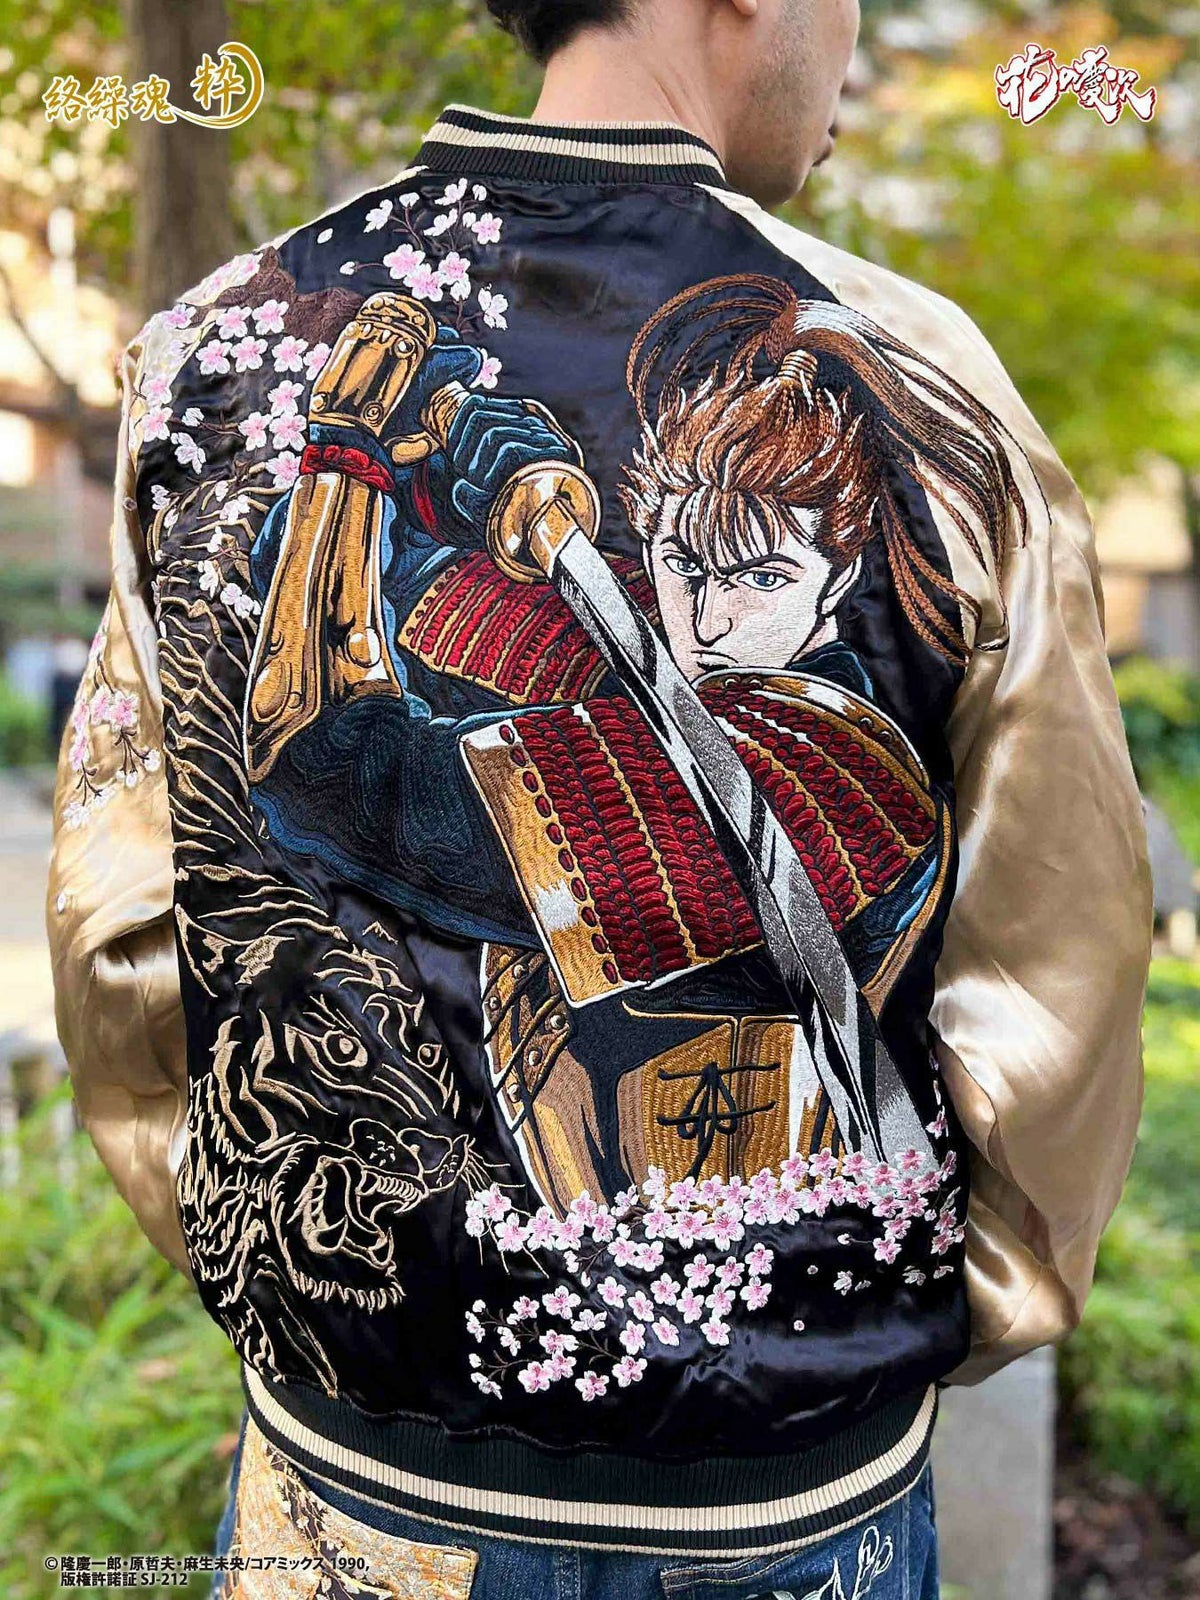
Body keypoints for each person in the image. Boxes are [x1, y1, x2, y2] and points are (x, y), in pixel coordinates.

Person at [46, 0, 1153, 1595]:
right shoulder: (941, 390)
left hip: (358, 1493)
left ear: (834, 567)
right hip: (783, 1509)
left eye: (758, 571)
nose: (699, 603)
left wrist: (303, 1275)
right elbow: (1062, 991)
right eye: (687, 554)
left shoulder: (216, 348)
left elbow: (140, 920)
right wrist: (879, 1322)